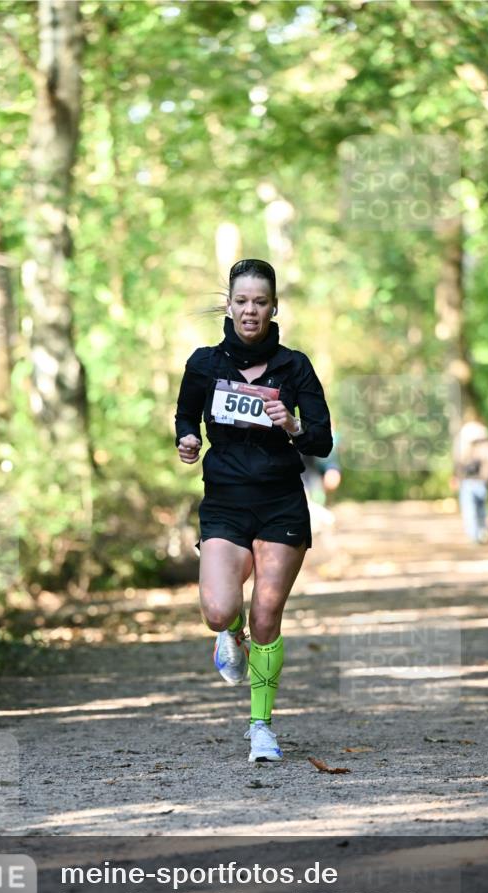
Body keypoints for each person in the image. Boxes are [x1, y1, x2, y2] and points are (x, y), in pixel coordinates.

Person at [175, 259, 333, 762]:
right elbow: (185, 414)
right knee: (219, 610)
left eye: (259, 302)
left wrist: (291, 424)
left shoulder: (295, 366)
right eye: (241, 301)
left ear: (273, 308)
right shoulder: (204, 363)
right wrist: (186, 440)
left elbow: (323, 439)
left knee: (267, 614)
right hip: (225, 501)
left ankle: (261, 725)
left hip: (281, 502)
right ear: (229, 304)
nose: (250, 311)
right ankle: (229, 634)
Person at [452, 420, 488, 544]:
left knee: (469, 509)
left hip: (468, 482)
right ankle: (481, 532)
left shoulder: (463, 443)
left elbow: (457, 462)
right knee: (481, 508)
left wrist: (455, 477)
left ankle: (474, 535)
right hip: (482, 481)